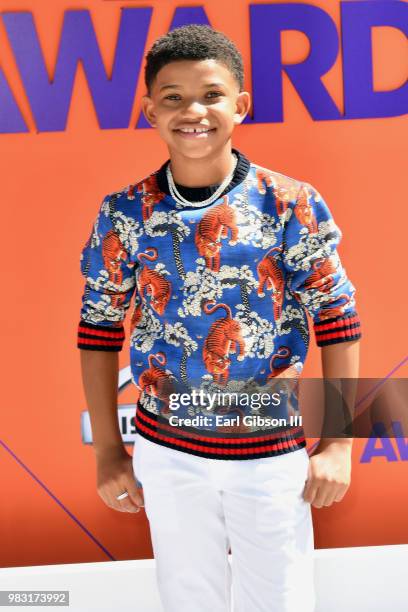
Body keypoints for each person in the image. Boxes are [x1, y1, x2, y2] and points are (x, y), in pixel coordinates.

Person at [77, 24, 361, 612]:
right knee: (188, 599)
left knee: (280, 601)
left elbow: (338, 317)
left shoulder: (289, 203)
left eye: (211, 94)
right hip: (167, 453)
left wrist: (337, 445)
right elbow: (98, 327)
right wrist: (108, 449)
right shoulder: (125, 213)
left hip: (269, 452)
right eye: (174, 97)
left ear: (241, 106)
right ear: (150, 110)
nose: (194, 111)